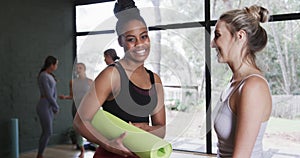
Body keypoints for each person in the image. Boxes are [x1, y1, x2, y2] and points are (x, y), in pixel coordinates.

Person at [73, 0, 166, 157]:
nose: (140, 44)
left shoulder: (154, 79)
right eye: (131, 39)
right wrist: (108, 144)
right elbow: (80, 122)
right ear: (120, 41)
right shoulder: (111, 75)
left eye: (144, 36)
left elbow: (161, 128)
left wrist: (148, 129)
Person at [212, 5, 272, 158]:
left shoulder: (253, 87)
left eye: (218, 35)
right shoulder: (234, 82)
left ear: (240, 36)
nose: (213, 43)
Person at [59, 63, 93, 158]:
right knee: (78, 128)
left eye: (80, 67)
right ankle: (82, 150)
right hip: (76, 107)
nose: (78, 69)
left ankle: (97, 146)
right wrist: (65, 97)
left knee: (90, 127)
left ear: (84, 69)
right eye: (77, 68)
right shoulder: (72, 82)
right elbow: (72, 96)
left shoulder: (90, 82)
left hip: (87, 108)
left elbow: (94, 96)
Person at [36, 56, 60, 158]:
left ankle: (40, 154)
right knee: (48, 131)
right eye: (56, 64)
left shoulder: (49, 75)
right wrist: (56, 106)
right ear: (51, 65)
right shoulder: (43, 76)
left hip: (49, 106)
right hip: (44, 105)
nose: (57, 66)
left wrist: (54, 106)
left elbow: (53, 93)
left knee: (47, 131)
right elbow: (48, 94)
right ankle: (40, 154)